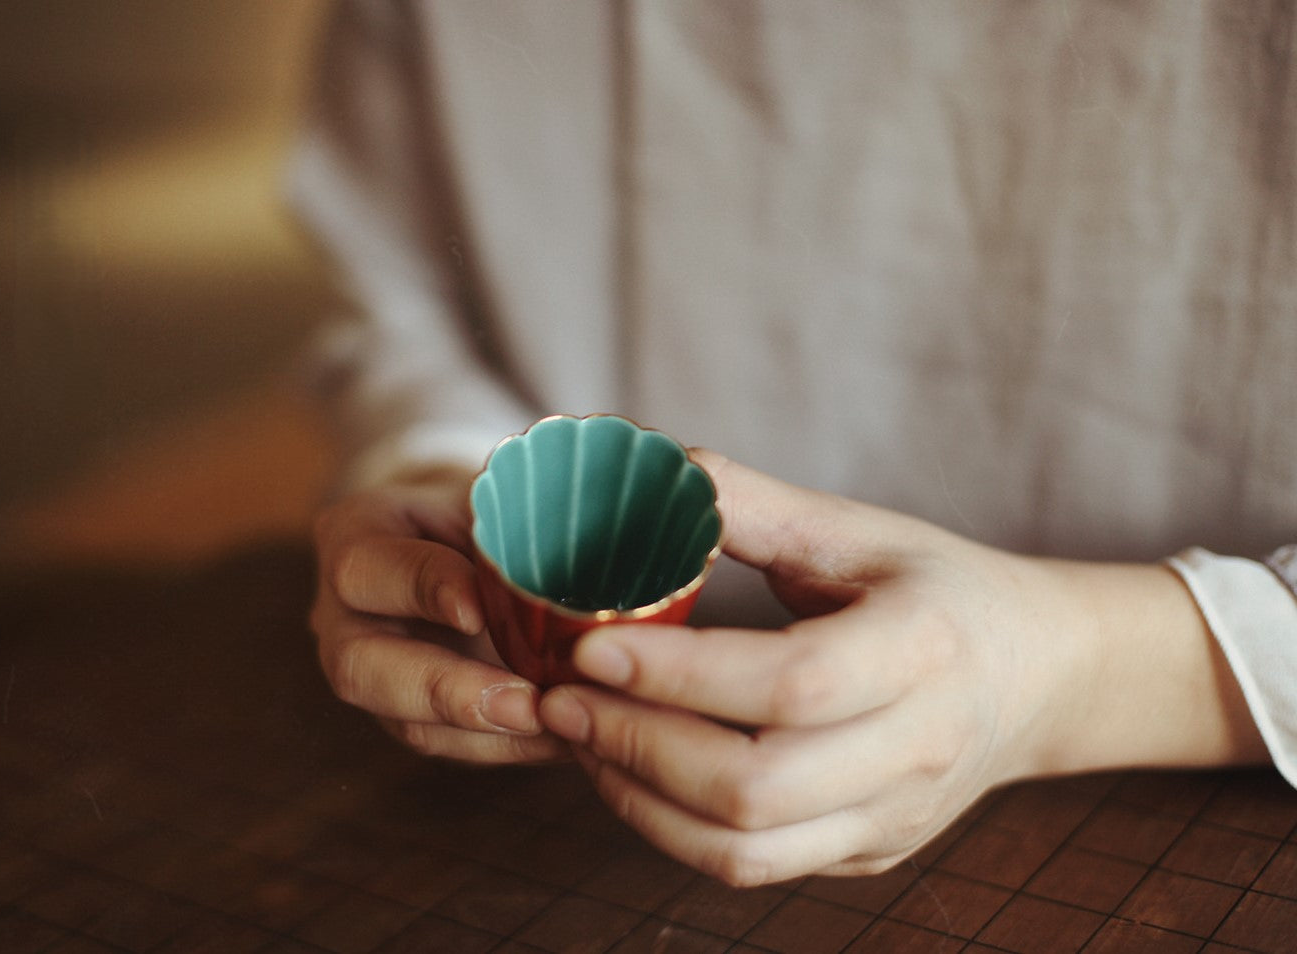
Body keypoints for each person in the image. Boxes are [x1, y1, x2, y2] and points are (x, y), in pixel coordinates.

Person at [294, 1, 1297, 886]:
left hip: (1221, 794)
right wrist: (434, 470)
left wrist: (1085, 666)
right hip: (537, 802)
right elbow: (394, 274)